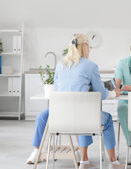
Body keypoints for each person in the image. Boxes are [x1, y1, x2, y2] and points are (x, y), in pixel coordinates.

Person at [27, 34, 125, 169]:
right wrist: (114, 93)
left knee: (46, 116)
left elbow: (56, 89)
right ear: (85, 47)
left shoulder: (60, 65)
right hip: (82, 117)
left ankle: (37, 152)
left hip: (60, 117)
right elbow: (102, 94)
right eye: (89, 47)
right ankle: (112, 162)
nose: (89, 50)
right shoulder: (90, 66)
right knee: (105, 119)